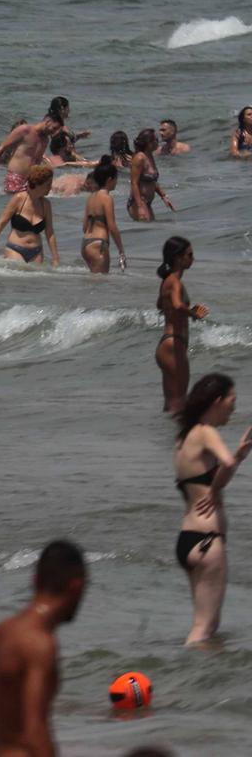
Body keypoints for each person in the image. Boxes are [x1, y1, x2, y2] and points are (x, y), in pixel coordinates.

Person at [0, 542, 86, 757]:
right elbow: (34, 729)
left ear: (35, 580)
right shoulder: (41, 644)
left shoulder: (1, 633)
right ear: (76, 587)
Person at [172, 372, 251, 645]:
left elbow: (206, 475)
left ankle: (196, 680)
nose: (234, 407)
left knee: (204, 625)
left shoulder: (183, 439)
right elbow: (225, 464)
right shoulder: (207, 432)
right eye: (232, 400)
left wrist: (240, 455)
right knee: (204, 629)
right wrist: (216, 489)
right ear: (218, 401)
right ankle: (184, 681)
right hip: (208, 542)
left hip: (187, 540)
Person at [157, 237, 206, 414]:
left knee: (171, 404)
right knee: (179, 403)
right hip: (173, 344)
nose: (193, 258)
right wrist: (195, 314)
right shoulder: (175, 282)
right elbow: (177, 304)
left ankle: (166, 438)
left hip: (167, 344)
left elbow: (161, 304)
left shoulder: (167, 281)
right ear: (178, 258)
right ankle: (178, 439)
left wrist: (183, 311)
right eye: (190, 255)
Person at [0, 164, 56, 265]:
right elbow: (1, 222)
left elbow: (50, 232)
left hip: (37, 252)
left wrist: (55, 257)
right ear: (38, 184)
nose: (50, 188)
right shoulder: (19, 198)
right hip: (15, 249)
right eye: (48, 184)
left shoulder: (46, 204)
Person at [0, 110, 60, 193]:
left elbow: (38, 160)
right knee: (15, 201)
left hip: (29, 180)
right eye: (54, 128)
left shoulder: (45, 140)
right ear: (47, 121)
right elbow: (2, 147)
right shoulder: (25, 130)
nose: (54, 132)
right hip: (15, 176)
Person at [80, 160, 125, 274]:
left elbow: (84, 227)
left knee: (94, 283)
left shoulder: (90, 198)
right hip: (98, 244)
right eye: (116, 179)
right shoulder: (107, 198)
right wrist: (121, 250)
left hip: (86, 244)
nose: (116, 182)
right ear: (110, 180)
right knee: (101, 284)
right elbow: (112, 226)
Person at [128, 128, 173, 220]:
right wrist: (140, 206)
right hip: (138, 202)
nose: (158, 142)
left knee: (152, 229)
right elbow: (134, 183)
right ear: (149, 143)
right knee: (147, 226)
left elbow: (152, 181)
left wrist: (163, 196)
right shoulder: (139, 158)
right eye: (156, 140)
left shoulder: (150, 156)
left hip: (147, 202)